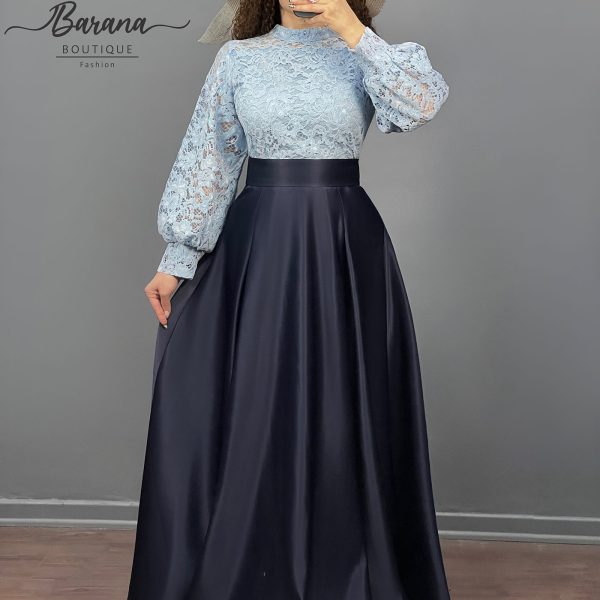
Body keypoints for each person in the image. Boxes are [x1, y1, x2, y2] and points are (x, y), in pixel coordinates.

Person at [128, 0, 451, 598]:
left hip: (344, 243)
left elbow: (420, 105)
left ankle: (347, 565)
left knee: (343, 398)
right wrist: (177, 257)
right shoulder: (238, 59)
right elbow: (212, 153)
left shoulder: (364, 54)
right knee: (258, 395)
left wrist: (353, 30)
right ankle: (256, 561)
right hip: (261, 243)